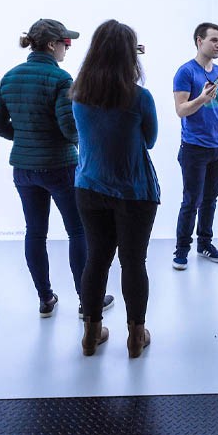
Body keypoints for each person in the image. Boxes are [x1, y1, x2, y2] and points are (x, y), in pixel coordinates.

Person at [0, 18, 113, 318]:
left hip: (23, 169)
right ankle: (87, 301)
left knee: (35, 233)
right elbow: (70, 129)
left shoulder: (10, 77)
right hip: (60, 167)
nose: (67, 49)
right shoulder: (60, 79)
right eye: (65, 43)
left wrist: (24, 138)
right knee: (78, 231)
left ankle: (45, 299)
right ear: (50, 45)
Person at [71, 21, 160, 357]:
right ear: (130, 55)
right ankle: (136, 337)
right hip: (134, 191)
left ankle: (91, 335)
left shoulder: (78, 94)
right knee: (133, 262)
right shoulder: (139, 97)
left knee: (96, 259)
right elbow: (149, 141)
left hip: (89, 188)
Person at [171, 22, 218, 269]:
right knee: (191, 200)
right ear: (199, 41)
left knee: (210, 199)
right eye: (213, 40)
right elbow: (181, 110)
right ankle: (181, 250)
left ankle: (204, 244)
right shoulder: (186, 72)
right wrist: (201, 98)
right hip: (194, 147)